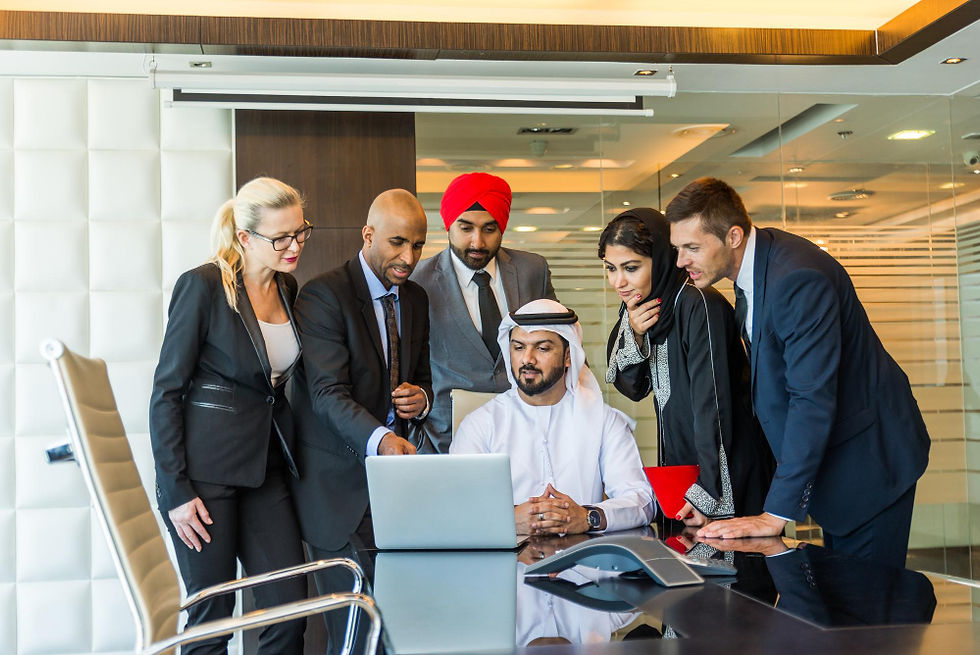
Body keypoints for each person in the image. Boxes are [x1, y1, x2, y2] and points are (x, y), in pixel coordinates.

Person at [665, 177, 930, 569]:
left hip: (867, 467)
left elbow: (811, 398)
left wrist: (776, 514)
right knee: (824, 609)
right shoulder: (751, 273)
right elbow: (774, 398)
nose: (680, 261)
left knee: (867, 615)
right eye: (677, 248)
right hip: (821, 474)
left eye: (692, 248)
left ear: (733, 236)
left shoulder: (797, 278)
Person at [149, 177, 311, 653]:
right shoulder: (202, 285)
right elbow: (166, 393)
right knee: (211, 620)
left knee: (288, 614)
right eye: (280, 237)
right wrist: (176, 490)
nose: (293, 246)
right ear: (245, 238)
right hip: (203, 480)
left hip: (266, 472)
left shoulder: (288, 286)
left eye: (300, 232)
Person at [288, 188, 432, 650]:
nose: (408, 257)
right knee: (352, 635)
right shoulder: (322, 295)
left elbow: (423, 376)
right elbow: (327, 394)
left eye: (418, 245)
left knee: (395, 633)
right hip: (336, 490)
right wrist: (384, 440)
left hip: (396, 497)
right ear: (368, 235)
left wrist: (422, 398)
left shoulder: (416, 300)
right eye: (397, 243)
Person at [600, 208, 773, 526]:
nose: (618, 282)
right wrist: (636, 333)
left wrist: (708, 493)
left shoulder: (699, 304)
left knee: (734, 571)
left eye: (631, 267)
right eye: (611, 268)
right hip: (681, 470)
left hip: (726, 472)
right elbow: (633, 388)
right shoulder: (647, 308)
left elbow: (714, 406)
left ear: (663, 258)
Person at [452, 299, 655, 534]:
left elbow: (641, 500)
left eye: (542, 348)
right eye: (518, 347)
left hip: (584, 564)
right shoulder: (480, 424)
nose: (527, 359)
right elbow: (456, 506)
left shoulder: (604, 421)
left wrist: (588, 517)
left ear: (568, 356)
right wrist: (507, 519)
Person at [411, 172, 557, 452]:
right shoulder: (418, 281)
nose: (477, 242)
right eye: (466, 228)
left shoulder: (532, 270)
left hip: (529, 435)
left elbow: (560, 341)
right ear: (448, 225)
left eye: (489, 229)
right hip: (446, 439)